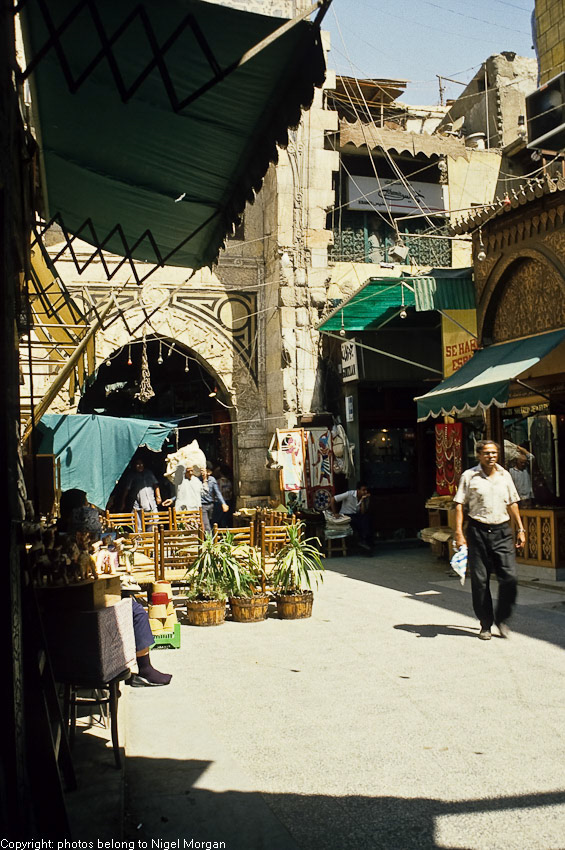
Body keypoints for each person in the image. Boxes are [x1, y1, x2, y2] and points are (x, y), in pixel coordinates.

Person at [454, 440, 525, 640]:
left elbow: (512, 502)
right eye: (487, 453)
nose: (491, 456)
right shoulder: (469, 476)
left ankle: (502, 618)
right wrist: (459, 532)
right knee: (480, 581)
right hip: (478, 531)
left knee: (510, 577)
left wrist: (520, 528)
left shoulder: (505, 475)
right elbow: (459, 504)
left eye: (494, 453)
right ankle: (485, 623)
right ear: (479, 455)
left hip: (502, 531)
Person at [122, 458, 162, 531]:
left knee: (154, 522)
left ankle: (151, 536)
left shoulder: (149, 473)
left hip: (151, 504)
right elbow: (127, 489)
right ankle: (139, 538)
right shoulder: (132, 476)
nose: (140, 466)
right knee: (138, 527)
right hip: (138, 506)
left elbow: (156, 485)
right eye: (137, 464)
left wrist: (158, 496)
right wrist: (123, 502)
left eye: (141, 464)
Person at [331, 483, 373, 550]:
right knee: (357, 521)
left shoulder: (365, 498)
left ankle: (365, 541)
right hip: (346, 514)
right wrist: (335, 513)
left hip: (356, 515)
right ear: (358, 490)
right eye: (363, 490)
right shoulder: (349, 494)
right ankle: (361, 540)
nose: (365, 492)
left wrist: (362, 501)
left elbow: (362, 512)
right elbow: (333, 499)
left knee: (367, 518)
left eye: (366, 490)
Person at [200, 465, 228, 533]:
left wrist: (223, 503)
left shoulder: (212, 480)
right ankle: (210, 539)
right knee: (206, 525)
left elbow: (217, 492)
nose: (203, 473)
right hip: (202, 505)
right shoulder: (198, 480)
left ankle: (212, 537)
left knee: (212, 523)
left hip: (211, 505)